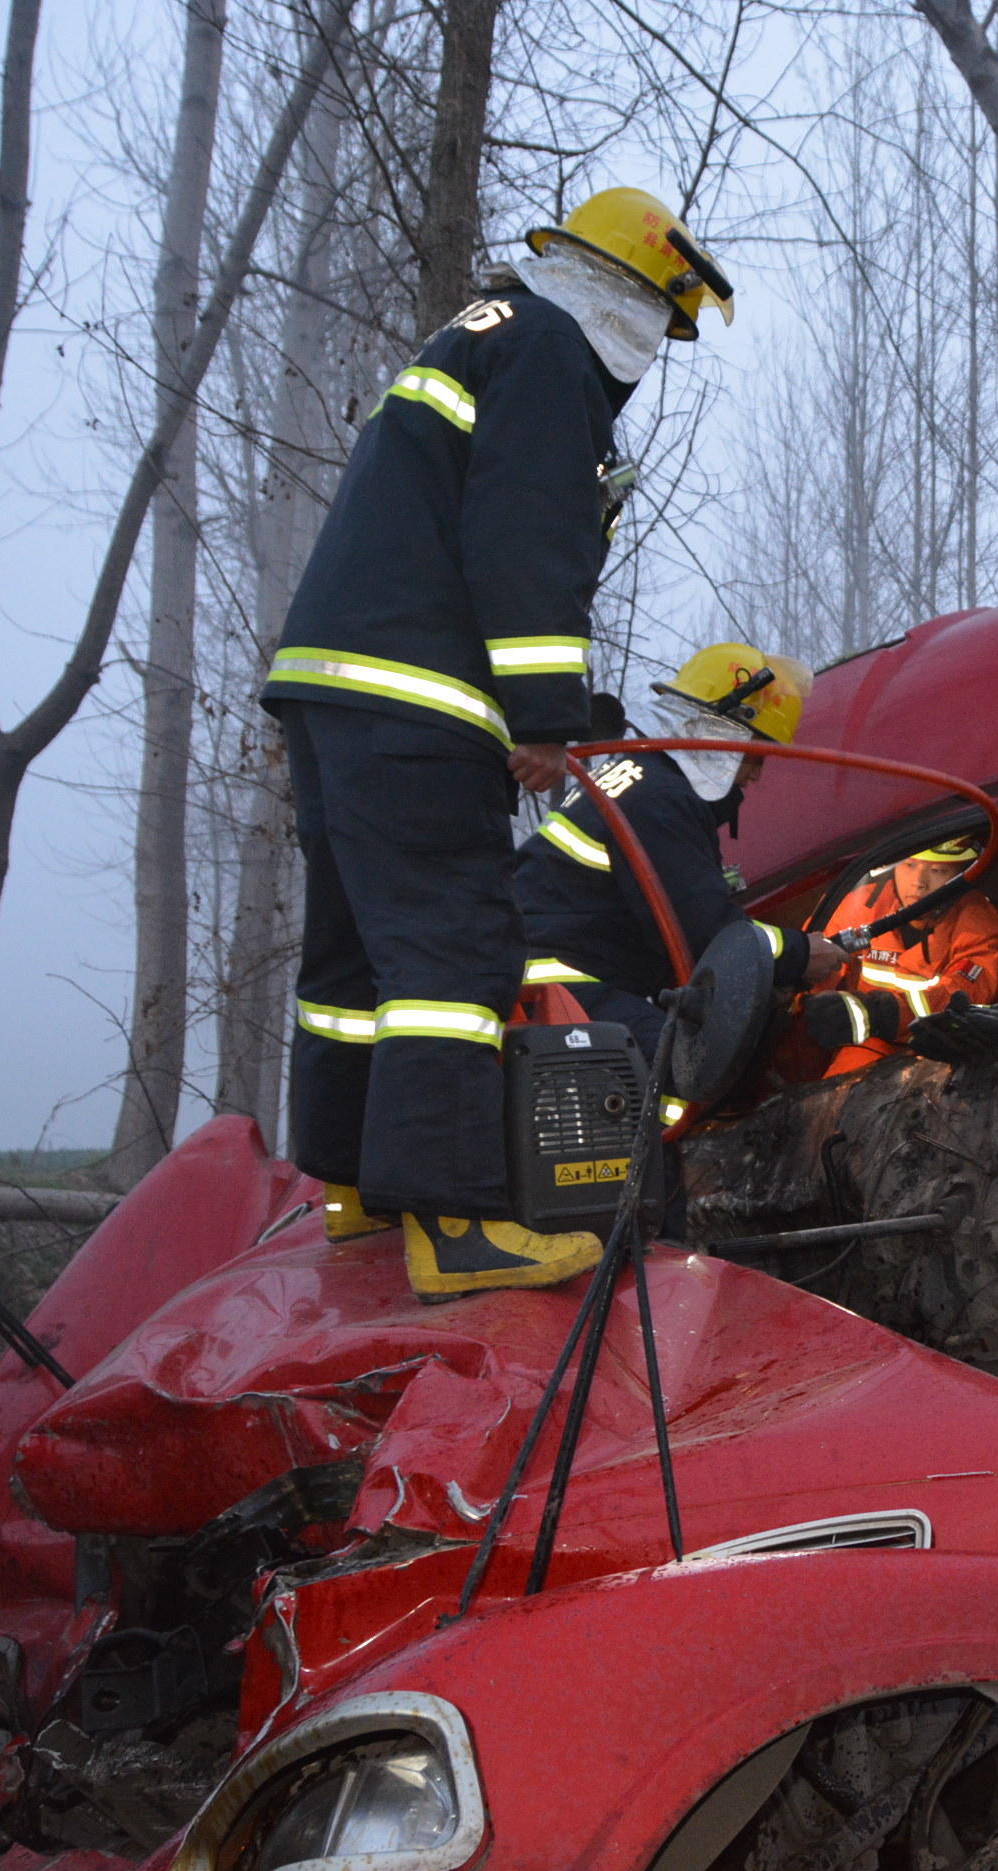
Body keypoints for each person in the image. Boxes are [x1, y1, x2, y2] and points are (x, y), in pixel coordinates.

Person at [261, 185, 736, 1301]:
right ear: (631, 296)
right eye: (664, 327)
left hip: (335, 687)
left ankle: (357, 1183)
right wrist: (544, 718)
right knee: (452, 957)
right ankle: (462, 1224)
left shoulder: (484, 332)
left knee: (354, 962)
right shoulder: (551, 354)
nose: (654, 354)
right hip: (418, 698)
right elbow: (527, 540)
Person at [515, 643, 844, 1044]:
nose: (756, 775)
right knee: (685, 1065)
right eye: (755, 756)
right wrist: (800, 953)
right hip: (565, 984)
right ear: (721, 735)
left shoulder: (640, 777)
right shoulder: (660, 801)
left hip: (561, 974)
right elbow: (707, 931)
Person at [810, 836, 998, 1075]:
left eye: (938, 870)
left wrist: (881, 1013)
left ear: (964, 872)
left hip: (942, 1054)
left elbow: (965, 1000)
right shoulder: (862, 904)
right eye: (909, 865)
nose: (919, 883)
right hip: (867, 1043)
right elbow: (815, 966)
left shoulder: (982, 929)